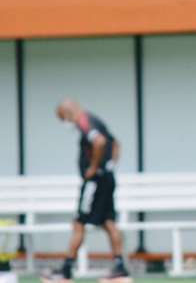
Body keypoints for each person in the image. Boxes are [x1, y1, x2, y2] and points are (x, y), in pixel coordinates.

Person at [44, 99, 130, 283]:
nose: (65, 123)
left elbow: (99, 142)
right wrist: (110, 166)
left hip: (94, 182)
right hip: (106, 178)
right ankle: (120, 267)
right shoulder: (96, 120)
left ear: (67, 113)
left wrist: (93, 168)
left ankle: (66, 270)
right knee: (108, 221)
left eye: (63, 119)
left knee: (79, 223)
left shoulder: (84, 121)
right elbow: (115, 144)